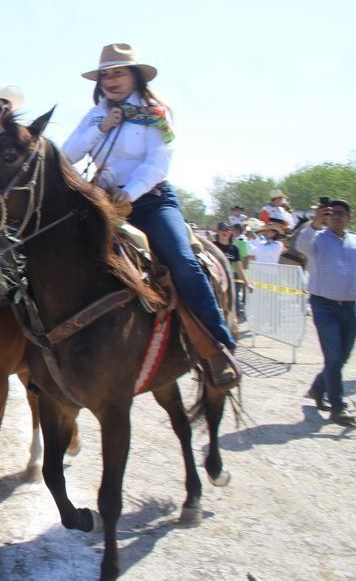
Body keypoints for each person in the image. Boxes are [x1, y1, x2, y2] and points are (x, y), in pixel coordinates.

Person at [62, 42, 239, 387]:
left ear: (135, 77)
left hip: (150, 200)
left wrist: (128, 195)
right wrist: (101, 128)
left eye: (119, 72)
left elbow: (159, 162)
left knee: (183, 262)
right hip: (103, 201)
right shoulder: (96, 114)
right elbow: (66, 156)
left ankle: (218, 347)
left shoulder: (156, 113)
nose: (111, 80)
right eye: (106, 74)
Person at [295, 199, 356, 426]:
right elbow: (301, 245)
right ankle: (338, 408)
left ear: (350, 217)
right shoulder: (317, 239)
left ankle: (317, 388)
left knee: (341, 357)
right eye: (331, 213)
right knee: (333, 356)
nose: (336, 217)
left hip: (350, 308)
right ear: (326, 216)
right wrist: (314, 223)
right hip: (324, 306)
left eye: (341, 213)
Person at [214, 222, 250, 322]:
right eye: (222, 230)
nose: (224, 232)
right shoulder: (213, 246)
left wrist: (247, 283)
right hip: (215, 280)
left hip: (229, 281)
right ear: (218, 231)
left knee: (229, 306)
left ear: (230, 232)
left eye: (226, 230)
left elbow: (239, 268)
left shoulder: (234, 249)